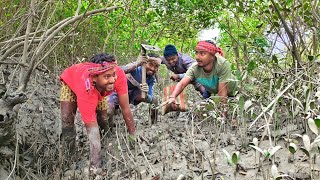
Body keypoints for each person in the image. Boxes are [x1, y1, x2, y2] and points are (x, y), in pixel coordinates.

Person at [59, 53, 136, 168]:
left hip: (98, 88)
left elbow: (125, 108)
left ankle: (107, 138)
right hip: (71, 83)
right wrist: (96, 165)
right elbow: (91, 129)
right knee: (67, 121)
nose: (112, 80)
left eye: (113, 75)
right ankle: (68, 155)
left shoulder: (118, 74)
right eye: (106, 77)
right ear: (95, 77)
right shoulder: (87, 89)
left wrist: (132, 137)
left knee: (103, 118)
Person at [166, 40, 238, 120]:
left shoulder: (222, 64)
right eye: (196, 53)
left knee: (232, 112)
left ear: (212, 56)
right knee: (202, 111)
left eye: (202, 53)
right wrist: (172, 96)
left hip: (231, 91)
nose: (197, 57)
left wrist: (223, 117)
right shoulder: (194, 68)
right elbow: (182, 83)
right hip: (210, 88)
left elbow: (222, 93)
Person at [107, 53, 162, 122]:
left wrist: (145, 94)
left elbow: (150, 97)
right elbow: (117, 70)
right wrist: (136, 64)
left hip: (132, 96)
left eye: (156, 67)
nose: (153, 69)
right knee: (108, 110)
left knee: (154, 99)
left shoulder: (151, 78)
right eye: (150, 65)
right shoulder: (134, 68)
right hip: (116, 93)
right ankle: (109, 129)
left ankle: (154, 123)